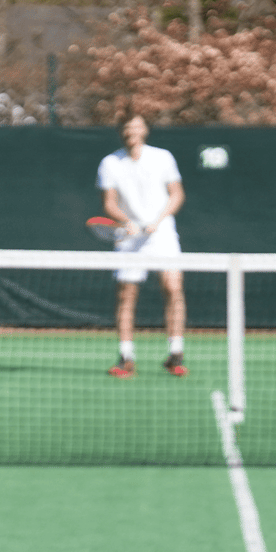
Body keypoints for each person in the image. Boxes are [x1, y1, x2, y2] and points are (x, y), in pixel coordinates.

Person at [96, 115, 189, 379]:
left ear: (145, 130)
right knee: (126, 295)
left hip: (163, 236)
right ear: (121, 131)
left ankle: (176, 354)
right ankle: (126, 357)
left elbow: (177, 194)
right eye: (126, 127)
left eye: (136, 126)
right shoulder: (110, 163)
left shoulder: (163, 157)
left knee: (173, 288)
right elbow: (109, 203)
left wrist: (157, 221)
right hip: (129, 238)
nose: (131, 131)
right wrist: (128, 221)